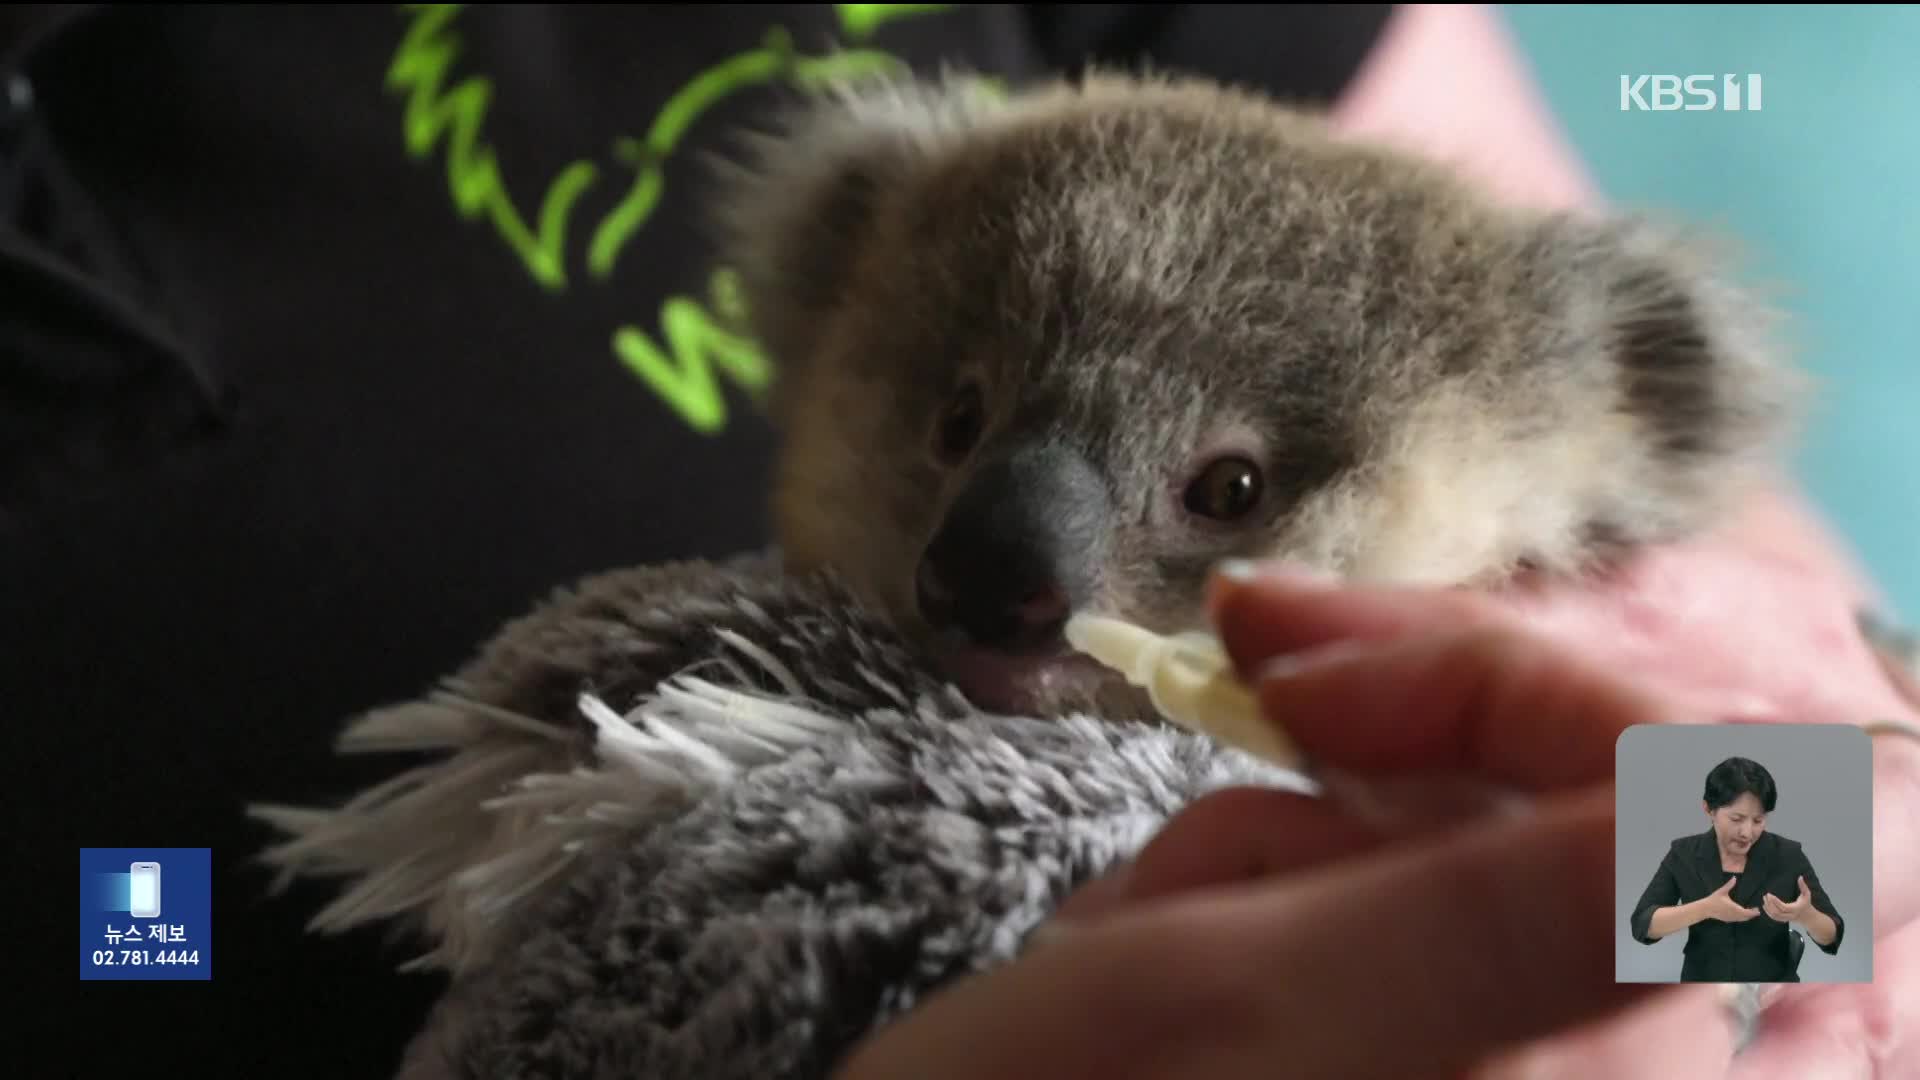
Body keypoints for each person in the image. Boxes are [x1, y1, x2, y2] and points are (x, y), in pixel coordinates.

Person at [7, 5, 1914, 1077]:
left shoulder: (1564, 409)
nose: (1009, 554)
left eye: (1231, 494)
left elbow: (1762, 611)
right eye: (957, 425)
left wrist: (1776, 889)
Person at [1627, 757, 1846, 984]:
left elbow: (1831, 935)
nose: (1747, 832)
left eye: (1758, 820)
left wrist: (1805, 915)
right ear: (1709, 810)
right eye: (1737, 819)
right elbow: (1643, 925)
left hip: (1771, 989)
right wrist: (1706, 908)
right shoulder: (1684, 854)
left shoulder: (1787, 855)